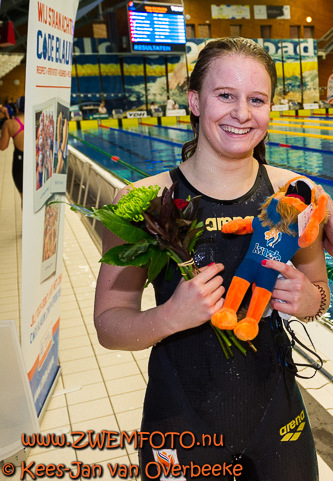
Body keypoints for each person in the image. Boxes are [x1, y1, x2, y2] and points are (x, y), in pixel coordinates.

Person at [94, 38, 329, 480]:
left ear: (269, 109)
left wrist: (308, 300)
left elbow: (322, 296)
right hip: (181, 421)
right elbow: (109, 324)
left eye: (256, 99)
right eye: (225, 95)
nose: (242, 113)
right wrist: (169, 317)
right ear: (195, 101)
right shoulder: (145, 201)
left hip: (279, 420)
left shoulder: (295, 197)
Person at [0, 96, 25, 200]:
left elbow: (3, 146)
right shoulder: (40, 121)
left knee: (23, 197)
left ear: (17, 108)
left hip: (19, 162)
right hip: (36, 161)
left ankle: (25, 215)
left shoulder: (9, 124)